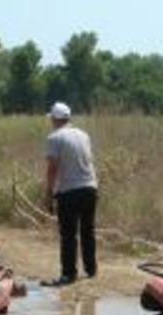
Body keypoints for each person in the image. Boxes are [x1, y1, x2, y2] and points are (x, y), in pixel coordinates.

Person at [41, 102, 98, 287]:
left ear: (54, 119)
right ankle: (91, 269)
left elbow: (52, 168)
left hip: (69, 190)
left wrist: (48, 193)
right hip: (90, 187)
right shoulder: (84, 135)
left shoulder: (54, 138)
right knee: (88, 230)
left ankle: (68, 274)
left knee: (68, 234)